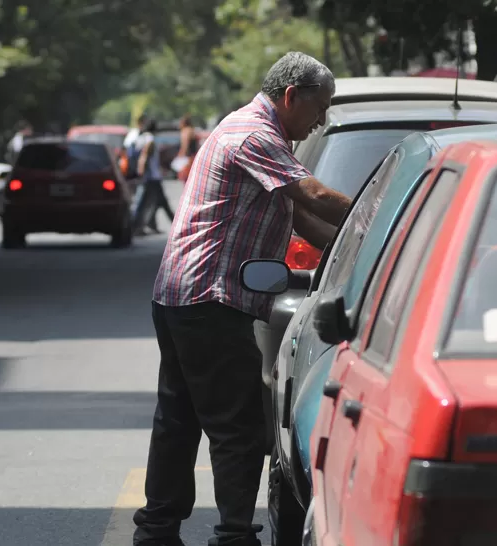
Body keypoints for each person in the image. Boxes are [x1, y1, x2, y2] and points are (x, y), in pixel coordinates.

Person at [133, 51, 351, 546]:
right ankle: (234, 535)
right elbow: (315, 196)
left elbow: (301, 218)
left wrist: (356, 253)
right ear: (291, 96)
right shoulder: (254, 134)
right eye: (320, 107)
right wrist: (380, 218)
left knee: (179, 420)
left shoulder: (257, 133)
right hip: (209, 297)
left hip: (183, 293)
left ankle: (157, 530)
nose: (321, 120)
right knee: (238, 426)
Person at [131, 116, 175, 235]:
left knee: (154, 202)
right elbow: (145, 156)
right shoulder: (150, 139)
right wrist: (142, 172)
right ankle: (135, 227)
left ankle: (147, 225)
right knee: (147, 202)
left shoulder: (141, 138)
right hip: (151, 177)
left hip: (150, 176)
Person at [171, 114, 199, 183]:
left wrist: (180, 155)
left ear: (183, 123)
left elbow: (185, 146)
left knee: (185, 177)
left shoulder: (185, 131)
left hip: (188, 158)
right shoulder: (192, 130)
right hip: (194, 156)